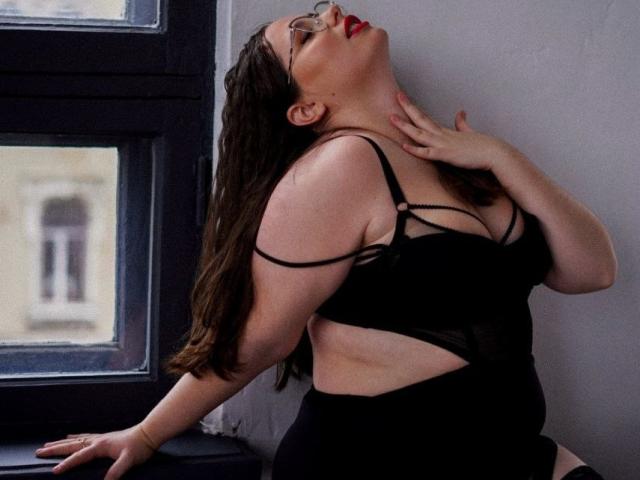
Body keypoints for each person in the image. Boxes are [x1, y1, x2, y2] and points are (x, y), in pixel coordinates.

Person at [34, 2, 616, 479]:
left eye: (317, 15)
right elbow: (263, 337)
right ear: (305, 108)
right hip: (379, 462)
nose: (333, 12)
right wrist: (146, 434)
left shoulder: (455, 159)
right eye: (306, 35)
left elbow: (591, 271)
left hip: (515, 456)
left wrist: (500, 155)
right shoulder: (339, 168)